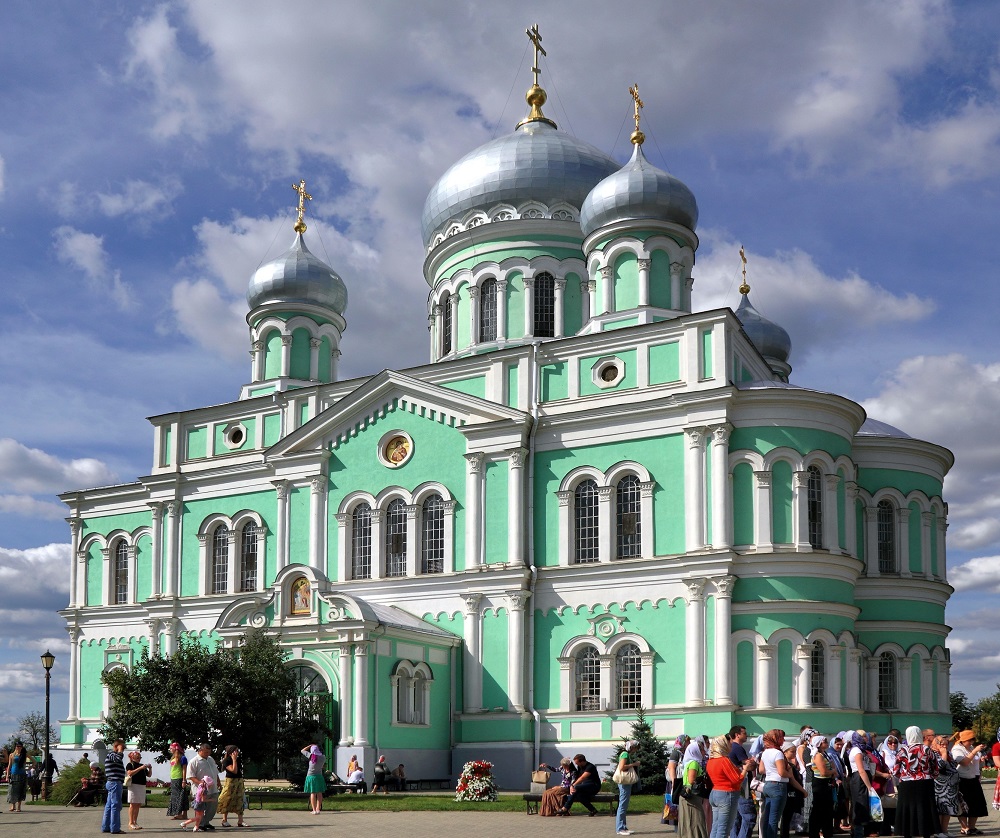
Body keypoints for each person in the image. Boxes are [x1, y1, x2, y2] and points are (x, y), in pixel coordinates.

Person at [892, 726, 938, 838]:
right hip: (925, 783)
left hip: (906, 784)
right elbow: (935, 768)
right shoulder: (927, 749)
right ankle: (926, 833)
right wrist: (930, 776)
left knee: (907, 809)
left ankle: (908, 834)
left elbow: (896, 770)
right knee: (925, 808)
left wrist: (906, 776)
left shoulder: (902, 750)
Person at [707, 733, 755, 838]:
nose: (731, 744)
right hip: (726, 794)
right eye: (729, 742)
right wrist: (746, 769)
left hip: (715, 793)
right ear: (723, 744)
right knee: (724, 829)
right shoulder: (724, 760)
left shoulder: (711, 760)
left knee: (715, 826)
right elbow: (737, 780)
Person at [951, 730, 987, 835]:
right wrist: (975, 751)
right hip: (962, 779)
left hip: (973, 778)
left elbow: (974, 761)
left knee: (976, 804)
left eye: (973, 740)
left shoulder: (971, 748)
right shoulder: (957, 749)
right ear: (963, 740)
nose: (972, 742)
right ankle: (964, 827)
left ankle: (972, 827)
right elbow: (964, 762)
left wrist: (981, 759)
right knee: (963, 804)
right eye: (969, 740)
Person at [847, 731, 878, 838]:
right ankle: (857, 833)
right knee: (860, 805)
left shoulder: (862, 750)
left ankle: (861, 831)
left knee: (865, 806)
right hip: (860, 780)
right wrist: (869, 786)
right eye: (863, 736)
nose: (866, 738)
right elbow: (861, 770)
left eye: (866, 736)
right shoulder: (856, 750)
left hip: (864, 778)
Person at [187, 742, 222, 831]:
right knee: (200, 808)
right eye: (206, 752)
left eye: (209, 752)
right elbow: (191, 776)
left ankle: (206, 822)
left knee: (212, 807)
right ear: (200, 751)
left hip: (212, 788)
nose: (208, 754)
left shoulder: (210, 759)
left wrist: (218, 782)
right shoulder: (194, 761)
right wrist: (199, 783)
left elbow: (215, 772)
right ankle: (200, 824)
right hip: (200, 790)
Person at [729, 728, 757, 838]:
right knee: (749, 817)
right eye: (744, 733)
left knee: (737, 819)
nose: (747, 735)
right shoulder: (737, 748)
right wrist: (753, 762)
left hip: (734, 786)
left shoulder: (731, 747)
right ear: (737, 735)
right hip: (741, 786)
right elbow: (748, 765)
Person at [679, 737, 709, 838]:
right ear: (696, 751)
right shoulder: (694, 763)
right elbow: (692, 780)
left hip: (687, 796)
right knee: (696, 820)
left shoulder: (689, 762)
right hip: (692, 796)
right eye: (701, 749)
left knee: (688, 821)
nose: (704, 751)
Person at [615, 739, 641, 836]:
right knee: (622, 805)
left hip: (625, 782)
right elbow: (622, 767)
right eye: (635, 748)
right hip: (624, 782)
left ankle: (623, 827)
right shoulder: (625, 754)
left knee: (624, 805)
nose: (636, 750)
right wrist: (634, 764)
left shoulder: (625, 754)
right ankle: (620, 828)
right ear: (631, 747)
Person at [218, 745, 248, 827]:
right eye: (235, 751)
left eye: (237, 751)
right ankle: (224, 820)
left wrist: (236, 760)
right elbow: (234, 771)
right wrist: (234, 760)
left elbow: (238, 771)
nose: (237, 752)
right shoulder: (226, 760)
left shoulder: (238, 759)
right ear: (231, 752)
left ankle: (240, 821)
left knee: (239, 799)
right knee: (227, 799)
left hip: (239, 781)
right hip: (231, 781)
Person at [102, 738, 127, 834]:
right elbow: (118, 758)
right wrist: (119, 750)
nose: (123, 749)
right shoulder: (112, 754)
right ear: (117, 746)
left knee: (109, 806)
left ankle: (106, 827)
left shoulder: (111, 755)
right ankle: (115, 828)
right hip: (115, 783)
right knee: (116, 805)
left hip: (113, 782)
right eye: (122, 747)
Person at [125, 749, 152, 831]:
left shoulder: (142, 765)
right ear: (132, 758)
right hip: (133, 785)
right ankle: (131, 822)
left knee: (138, 804)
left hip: (141, 785)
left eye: (140, 757)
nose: (139, 759)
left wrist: (150, 768)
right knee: (133, 804)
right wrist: (140, 768)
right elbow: (129, 773)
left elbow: (149, 775)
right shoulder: (130, 764)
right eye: (137, 757)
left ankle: (135, 821)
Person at [167, 743, 189, 821]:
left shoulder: (182, 758)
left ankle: (180, 814)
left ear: (176, 749)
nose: (170, 750)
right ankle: (182, 814)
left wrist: (184, 780)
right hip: (174, 778)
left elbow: (184, 769)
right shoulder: (173, 757)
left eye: (171, 748)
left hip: (179, 778)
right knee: (178, 795)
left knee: (180, 796)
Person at [301, 744, 326, 814]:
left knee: (313, 793)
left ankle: (314, 810)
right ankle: (318, 809)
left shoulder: (311, 756)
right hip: (319, 776)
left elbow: (302, 750)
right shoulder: (323, 757)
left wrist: (309, 745)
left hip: (311, 776)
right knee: (319, 792)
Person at [6, 741, 27, 813]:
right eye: (17, 746)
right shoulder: (12, 755)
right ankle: (13, 805)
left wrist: (29, 768)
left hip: (21, 774)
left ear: (22, 747)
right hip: (13, 774)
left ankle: (19, 806)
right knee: (12, 790)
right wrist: (7, 775)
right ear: (15, 747)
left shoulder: (24, 755)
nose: (18, 747)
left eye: (20, 746)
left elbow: (34, 761)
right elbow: (9, 765)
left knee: (20, 790)